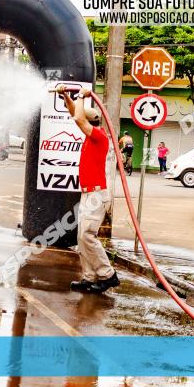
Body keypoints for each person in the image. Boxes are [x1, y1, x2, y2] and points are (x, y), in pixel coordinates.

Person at [57, 87, 120, 294]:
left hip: (97, 194)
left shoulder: (99, 136)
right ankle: (89, 277)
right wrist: (66, 96)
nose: (79, 120)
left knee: (87, 235)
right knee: (81, 237)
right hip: (88, 193)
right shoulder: (90, 136)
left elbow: (77, 117)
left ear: (90, 122)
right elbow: (75, 112)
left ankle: (107, 275)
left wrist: (83, 96)